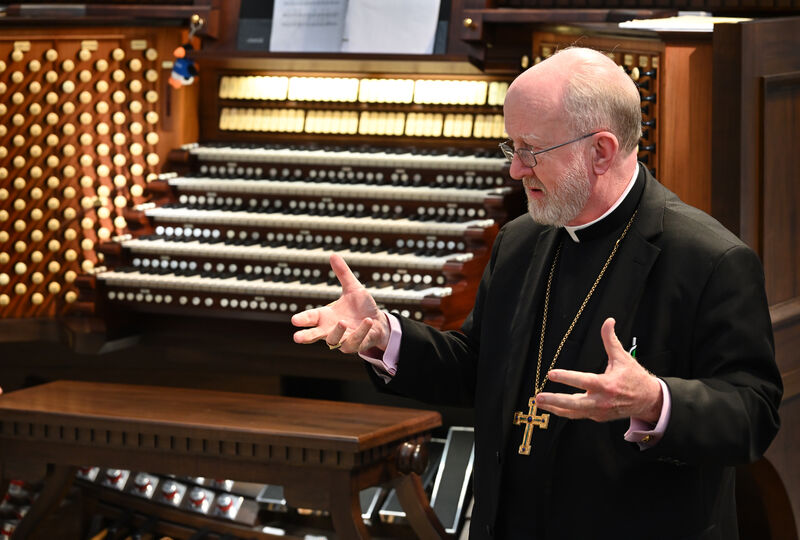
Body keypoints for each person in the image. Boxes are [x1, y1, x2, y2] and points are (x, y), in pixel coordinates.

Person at [291, 47, 783, 539]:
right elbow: (479, 367)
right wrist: (384, 337)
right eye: (512, 148)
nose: (516, 170)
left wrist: (655, 400)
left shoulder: (710, 259)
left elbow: (752, 415)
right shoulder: (521, 240)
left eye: (531, 149)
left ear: (602, 151)